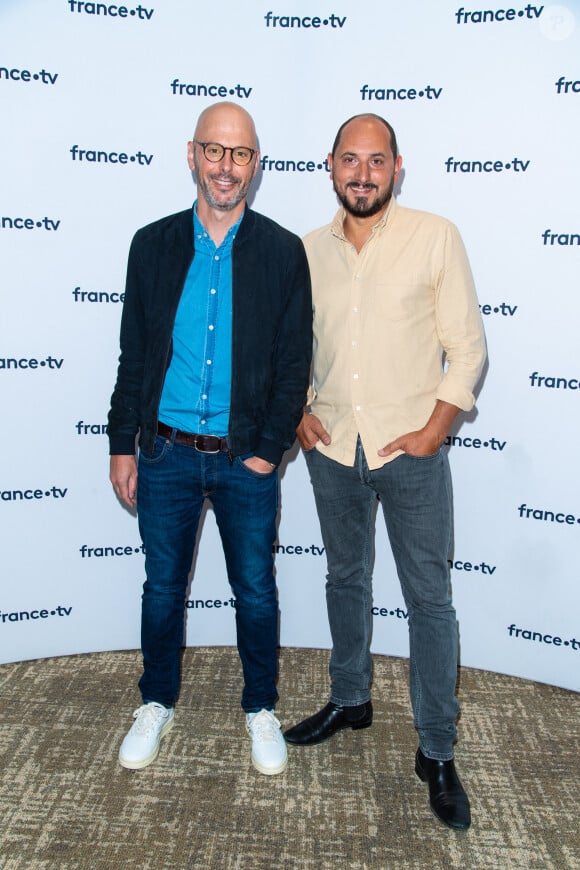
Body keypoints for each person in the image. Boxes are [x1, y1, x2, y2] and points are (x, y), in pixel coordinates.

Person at [283, 114, 486, 829]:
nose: (362, 174)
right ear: (330, 167)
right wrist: (298, 413)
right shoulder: (305, 250)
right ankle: (350, 698)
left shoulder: (436, 236)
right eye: (349, 160)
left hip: (411, 454)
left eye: (376, 161)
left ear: (397, 168)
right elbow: (291, 348)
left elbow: (468, 349)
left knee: (429, 600)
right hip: (334, 449)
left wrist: (435, 430)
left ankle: (437, 749)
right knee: (345, 578)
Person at [108, 102, 312, 776]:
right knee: (162, 587)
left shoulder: (284, 252)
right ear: (192, 155)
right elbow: (132, 354)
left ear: (257, 165)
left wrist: (269, 448)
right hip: (164, 452)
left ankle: (260, 708)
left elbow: (293, 364)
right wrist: (121, 444)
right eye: (215, 151)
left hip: (243, 459)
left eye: (241, 154)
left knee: (254, 588)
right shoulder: (152, 244)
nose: (227, 166)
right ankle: (156, 701)